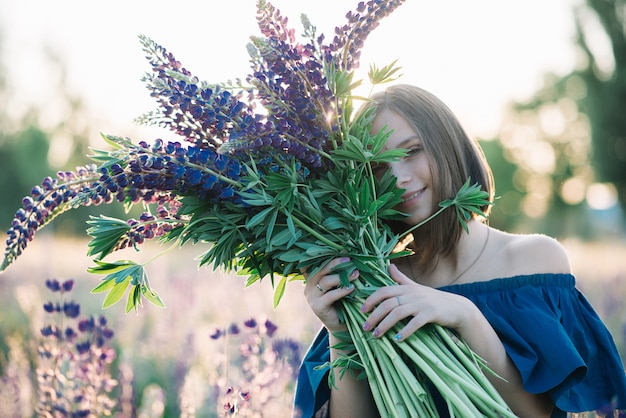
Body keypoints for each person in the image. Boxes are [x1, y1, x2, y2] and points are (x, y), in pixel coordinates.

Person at [292, 84, 626, 418]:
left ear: (448, 146)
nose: (399, 177)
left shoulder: (534, 260)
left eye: (412, 151)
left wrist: (468, 318)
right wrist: (340, 333)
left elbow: (537, 414)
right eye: (378, 166)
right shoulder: (374, 279)